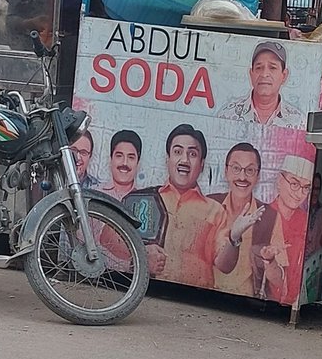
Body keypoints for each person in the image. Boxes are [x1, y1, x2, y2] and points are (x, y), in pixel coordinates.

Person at [215, 153, 315, 304]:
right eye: (294, 184)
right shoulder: (264, 215)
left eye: (306, 188)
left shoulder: (306, 221)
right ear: (279, 181)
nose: (299, 193)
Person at [140, 124, 226, 289]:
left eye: (192, 154)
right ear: (168, 159)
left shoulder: (216, 211)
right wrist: (142, 253)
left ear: (201, 164)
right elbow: (110, 240)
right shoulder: (146, 199)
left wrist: (235, 239)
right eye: (178, 152)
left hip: (197, 301)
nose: (184, 160)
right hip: (149, 292)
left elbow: (224, 264)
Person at [209, 142, 264, 295]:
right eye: (236, 168)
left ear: (258, 176)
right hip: (206, 290)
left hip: (246, 298)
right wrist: (234, 236)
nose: (242, 177)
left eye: (250, 170)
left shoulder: (269, 216)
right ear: (226, 171)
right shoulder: (209, 205)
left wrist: (269, 260)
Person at [219, 40, 304, 126]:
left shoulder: (298, 121)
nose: (264, 74)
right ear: (251, 74)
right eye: (259, 68)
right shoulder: (228, 115)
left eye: (272, 68)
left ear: (284, 75)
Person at [101, 130, 142, 200]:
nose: (125, 163)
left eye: (131, 157)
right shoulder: (95, 193)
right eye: (119, 156)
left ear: (138, 162)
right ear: (111, 159)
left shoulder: (144, 200)